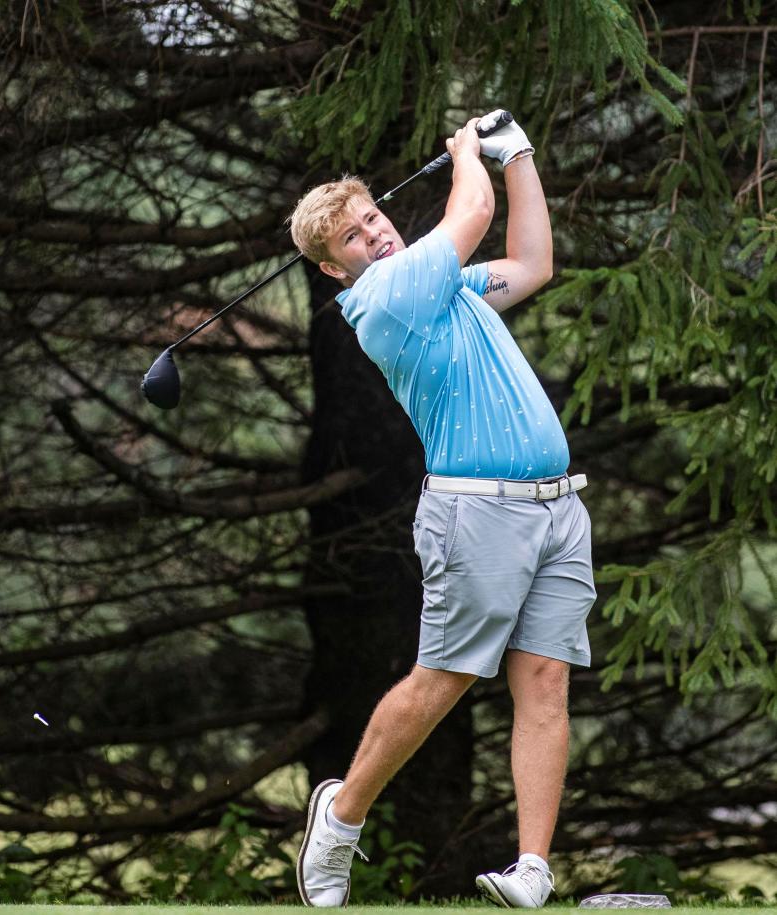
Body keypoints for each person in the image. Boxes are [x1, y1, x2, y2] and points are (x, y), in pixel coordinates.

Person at [285, 111, 596, 909]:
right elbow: (475, 213)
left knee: (545, 682)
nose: (373, 237)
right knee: (445, 678)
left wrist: (518, 154)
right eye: (351, 238)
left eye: (373, 218)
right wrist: (468, 153)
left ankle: (532, 866)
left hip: (555, 508)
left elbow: (531, 262)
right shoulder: (387, 297)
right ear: (333, 269)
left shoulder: (443, 281)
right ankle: (342, 815)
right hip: (477, 515)